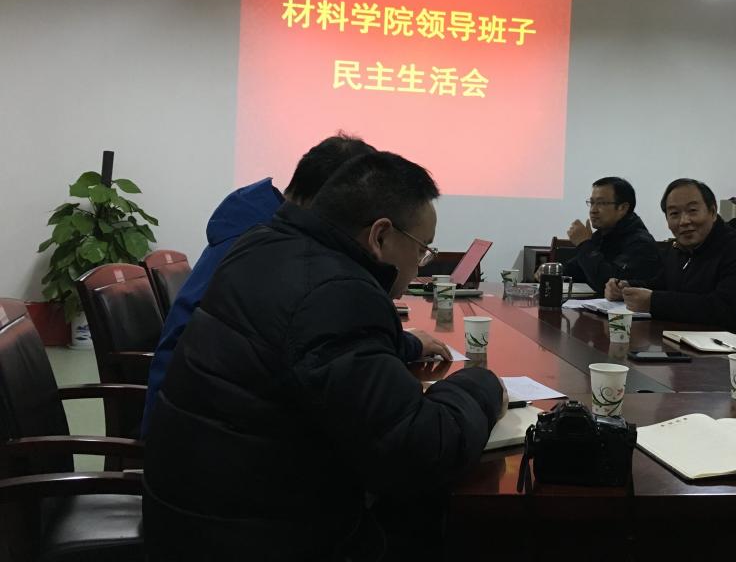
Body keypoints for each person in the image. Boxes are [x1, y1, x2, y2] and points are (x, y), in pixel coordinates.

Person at [143, 151, 506, 561]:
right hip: (250, 537)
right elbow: (418, 452)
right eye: (423, 249)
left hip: (194, 514)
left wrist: (402, 346)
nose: (420, 266)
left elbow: (315, 349)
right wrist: (482, 385)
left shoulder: (263, 245)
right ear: (380, 236)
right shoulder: (336, 293)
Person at [142, 134, 449, 436]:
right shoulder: (267, 251)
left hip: (208, 427)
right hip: (192, 434)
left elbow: (316, 346)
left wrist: (403, 344)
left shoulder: (268, 236)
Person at [605, 179, 736, 329]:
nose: (684, 221)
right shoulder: (679, 249)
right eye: (674, 214)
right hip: (684, 342)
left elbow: (725, 309)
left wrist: (654, 302)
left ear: (712, 212)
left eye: (692, 210)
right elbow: (664, 284)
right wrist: (626, 288)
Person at [560, 176, 661, 292]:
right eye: (592, 203)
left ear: (623, 208)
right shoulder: (602, 234)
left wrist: (584, 244)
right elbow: (574, 271)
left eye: (601, 203)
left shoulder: (640, 242)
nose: (593, 210)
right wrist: (552, 272)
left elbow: (609, 284)